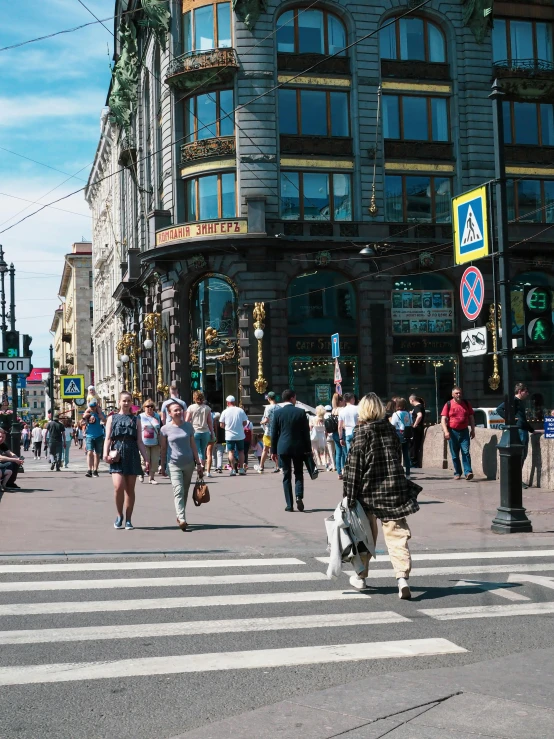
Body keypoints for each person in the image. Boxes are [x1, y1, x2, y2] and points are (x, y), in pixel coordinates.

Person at [342, 392, 421, 600]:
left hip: (367, 494)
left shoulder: (362, 432)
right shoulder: (391, 430)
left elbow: (354, 468)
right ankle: (402, 578)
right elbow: (396, 456)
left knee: (364, 537)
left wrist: (348, 497)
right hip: (393, 491)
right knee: (397, 537)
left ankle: (361, 577)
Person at [103, 391, 148, 531]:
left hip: (132, 453)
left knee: (130, 489)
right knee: (118, 486)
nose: (126, 403)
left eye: (129, 401)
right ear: (119, 402)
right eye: (124, 400)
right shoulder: (112, 418)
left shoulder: (136, 420)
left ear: (131, 403)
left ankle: (128, 519)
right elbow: (108, 439)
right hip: (117, 453)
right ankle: (119, 515)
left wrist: (146, 458)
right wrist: (105, 454)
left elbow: (140, 441)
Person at [160, 401, 203, 531]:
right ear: (170, 413)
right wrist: (162, 465)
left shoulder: (188, 427)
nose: (178, 412)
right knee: (178, 491)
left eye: (180, 410)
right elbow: (163, 449)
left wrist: (199, 463)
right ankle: (182, 518)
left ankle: (180, 516)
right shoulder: (165, 429)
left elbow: (193, 446)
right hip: (173, 464)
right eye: (175, 410)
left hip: (189, 464)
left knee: (184, 492)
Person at [271, 388, 311, 512]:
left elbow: (274, 433)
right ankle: (299, 495)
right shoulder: (300, 412)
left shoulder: (277, 413)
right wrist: (308, 449)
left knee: (286, 475)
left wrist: (273, 451)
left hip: (283, 448)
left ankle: (289, 504)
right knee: (298, 473)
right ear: (292, 398)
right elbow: (306, 433)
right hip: (299, 447)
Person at [496, 383, 536, 488]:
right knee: (520, 455)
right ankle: (516, 480)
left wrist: (531, 429)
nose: (527, 394)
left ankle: (516, 479)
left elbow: (523, 419)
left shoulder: (520, 402)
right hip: (519, 431)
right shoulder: (513, 400)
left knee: (522, 455)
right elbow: (499, 409)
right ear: (520, 391)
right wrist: (510, 418)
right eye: (525, 391)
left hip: (524, 430)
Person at [441, 386, 476, 481]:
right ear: (452, 395)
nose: (458, 395)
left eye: (460, 393)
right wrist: (446, 431)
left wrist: (473, 430)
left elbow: (471, 417)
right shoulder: (448, 404)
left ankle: (468, 472)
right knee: (455, 455)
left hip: (464, 431)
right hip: (452, 432)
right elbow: (443, 419)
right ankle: (457, 472)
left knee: (466, 452)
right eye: (456, 393)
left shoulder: (466, 403)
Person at [219, 395, 248, 476]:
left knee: (231, 452)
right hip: (240, 435)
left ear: (227, 402)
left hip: (229, 435)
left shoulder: (225, 411)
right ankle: (241, 469)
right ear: (234, 402)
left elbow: (221, 424)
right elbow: (245, 423)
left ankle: (233, 470)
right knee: (241, 451)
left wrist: (227, 427)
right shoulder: (240, 410)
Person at [185, 391, 214, 469]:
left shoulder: (191, 407)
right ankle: (202, 466)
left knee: (197, 451)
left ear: (194, 398)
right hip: (205, 432)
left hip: (195, 432)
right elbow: (210, 422)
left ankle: (199, 467)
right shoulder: (207, 408)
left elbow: (187, 420)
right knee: (203, 451)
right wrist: (212, 433)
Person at [139, 398, 161, 484]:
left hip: (155, 442)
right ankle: (141, 473)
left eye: (151, 406)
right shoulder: (140, 416)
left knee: (155, 461)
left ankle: (151, 478)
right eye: (147, 406)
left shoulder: (157, 416)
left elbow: (160, 429)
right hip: (144, 442)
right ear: (144, 407)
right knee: (144, 461)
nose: (150, 408)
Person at [389, 398, 413, 479]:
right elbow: (411, 423)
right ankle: (408, 474)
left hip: (399, 434)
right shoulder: (409, 414)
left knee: (398, 454)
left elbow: (392, 425)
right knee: (406, 455)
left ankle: (399, 473)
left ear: (397, 405)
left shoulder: (395, 414)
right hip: (407, 434)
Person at [83, 399, 106, 478]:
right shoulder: (87, 414)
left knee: (97, 454)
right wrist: (85, 415)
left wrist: (101, 416)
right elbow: (82, 421)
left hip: (99, 435)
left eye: (93, 406)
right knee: (89, 452)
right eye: (91, 406)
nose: (92, 408)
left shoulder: (99, 413)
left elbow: (105, 420)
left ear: (96, 406)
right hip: (89, 436)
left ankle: (95, 470)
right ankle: (89, 470)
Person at [258, 391, 279, 474]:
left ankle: (261, 466)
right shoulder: (279, 407)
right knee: (276, 450)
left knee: (265, 450)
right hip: (277, 432)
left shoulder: (268, 408)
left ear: (269, 398)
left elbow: (267, 419)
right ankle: (278, 466)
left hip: (268, 432)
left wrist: (261, 422)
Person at [330, 393, 345, 479]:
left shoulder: (333, 410)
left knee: (338, 453)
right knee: (344, 452)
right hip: (341, 431)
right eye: (343, 400)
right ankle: (343, 469)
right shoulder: (342, 410)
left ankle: (339, 472)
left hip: (334, 432)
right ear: (340, 401)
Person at [409, 395, 426, 468]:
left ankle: (414, 463)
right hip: (420, 428)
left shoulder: (417, 407)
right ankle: (415, 462)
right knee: (416, 445)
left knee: (413, 446)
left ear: (412, 400)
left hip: (416, 429)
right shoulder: (421, 406)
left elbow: (419, 415)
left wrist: (415, 424)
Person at [323, 405, 336, 472]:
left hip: (328, 436)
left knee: (330, 452)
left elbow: (324, 428)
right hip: (334, 435)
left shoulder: (324, 417)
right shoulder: (333, 415)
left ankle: (333, 466)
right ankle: (336, 465)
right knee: (335, 452)